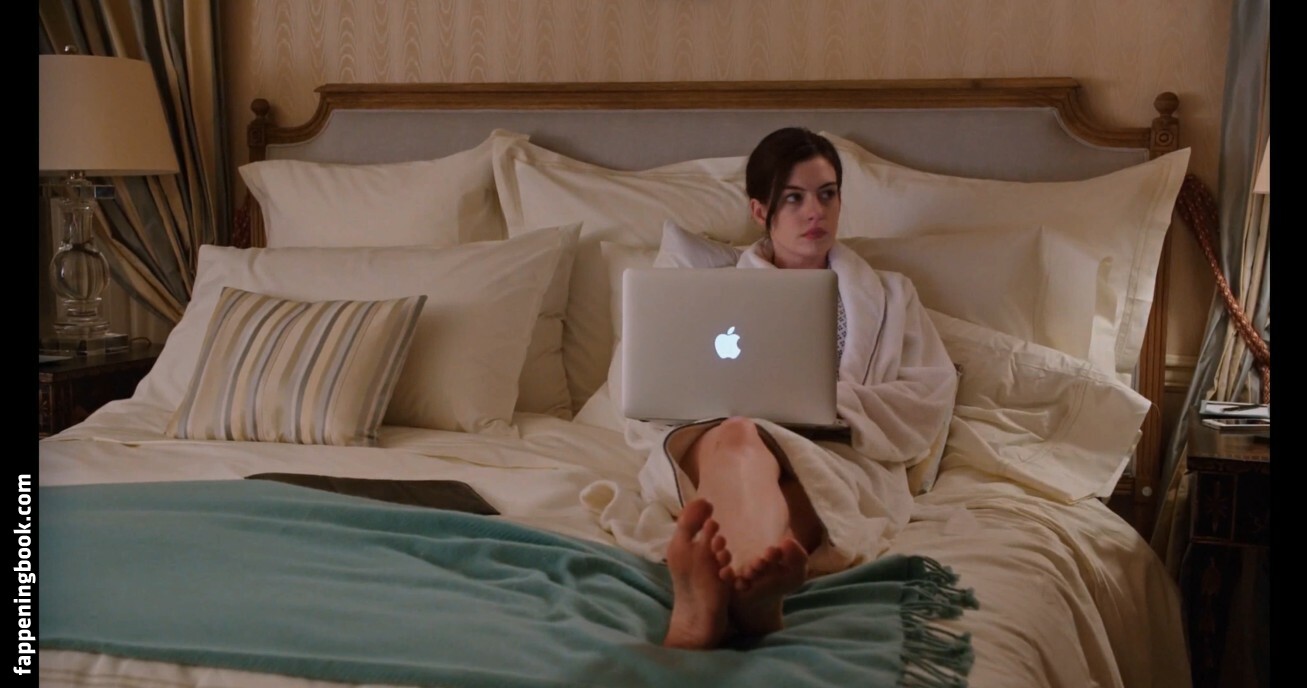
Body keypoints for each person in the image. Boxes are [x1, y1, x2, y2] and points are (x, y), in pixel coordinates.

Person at [654, 128, 959, 650]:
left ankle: (730, 594)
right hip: (725, 437)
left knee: (805, 494)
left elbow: (928, 399)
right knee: (740, 436)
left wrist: (831, 403)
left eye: (827, 194)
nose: (814, 211)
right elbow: (655, 385)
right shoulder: (713, 294)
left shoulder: (890, 296)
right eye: (793, 198)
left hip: (834, 450)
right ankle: (737, 595)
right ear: (760, 210)